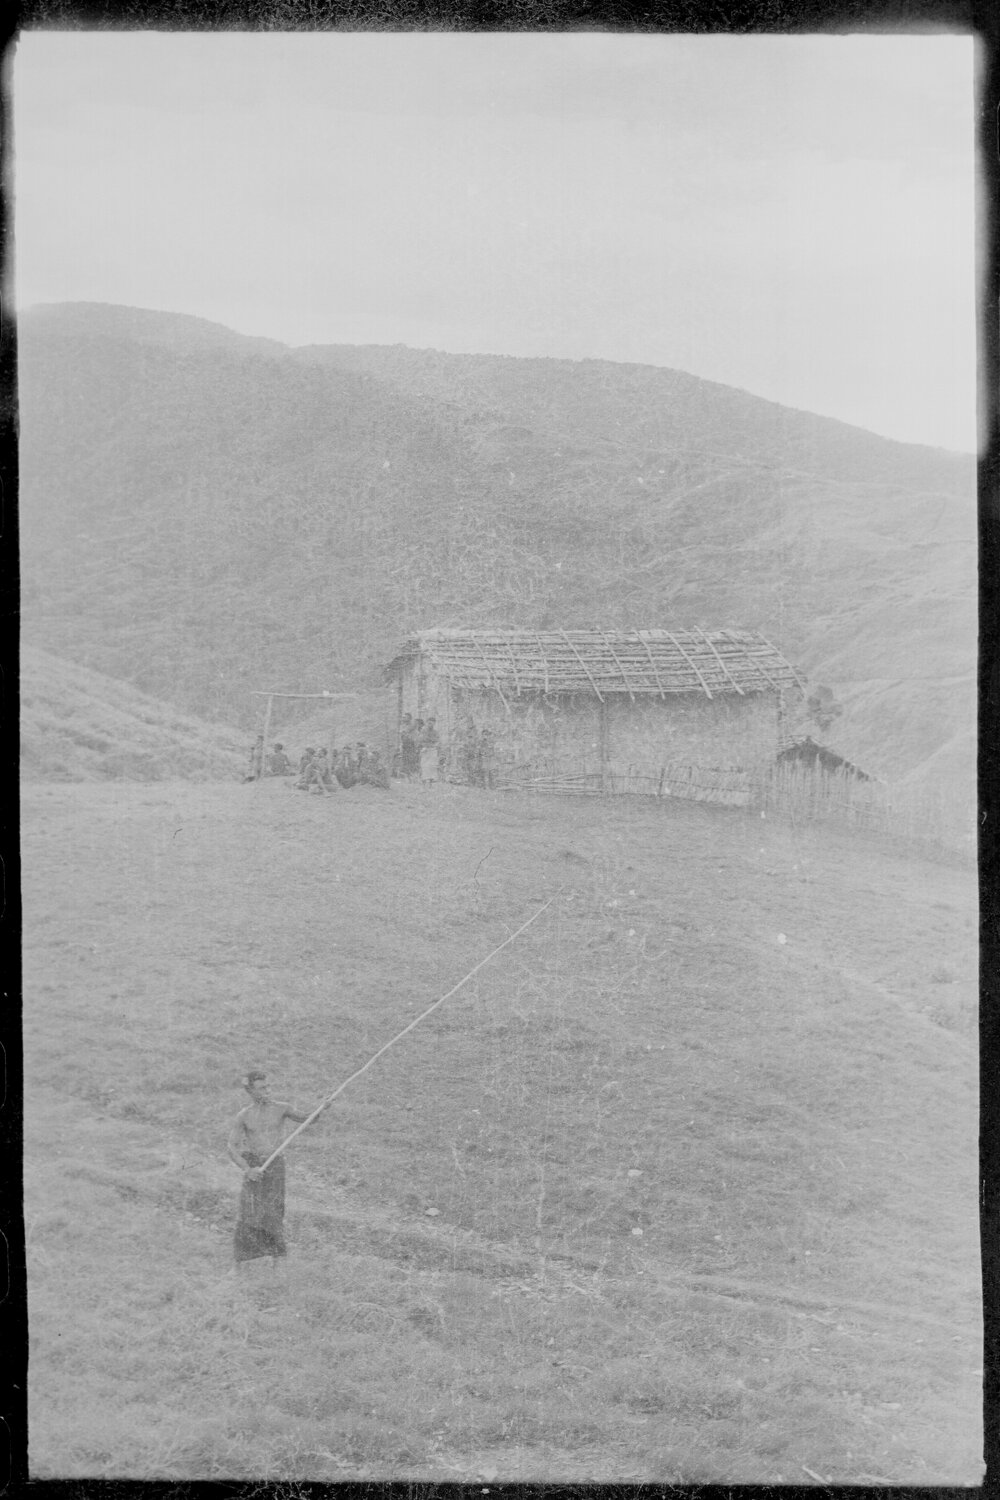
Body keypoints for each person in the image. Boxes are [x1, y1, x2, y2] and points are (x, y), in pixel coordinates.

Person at [227, 1070, 313, 1270]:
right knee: (248, 1214)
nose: (267, 1091)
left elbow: (308, 1118)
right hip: (254, 1167)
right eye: (261, 1088)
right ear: (250, 1091)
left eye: (268, 1086)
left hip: (275, 1166)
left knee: (274, 1213)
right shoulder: (244, 1115)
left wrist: (322, 1108)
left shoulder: (282, 1108)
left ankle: (278, 1266)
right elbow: (231, 1147)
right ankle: (239, 1266)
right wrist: (248, 1170)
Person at [419, 718, 440, 787]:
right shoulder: (423, 731)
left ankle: (430, 783)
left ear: (434, 724)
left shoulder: (435, 732)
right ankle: (423, 783)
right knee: (424, 766)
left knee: (432, 766)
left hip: (432, 749)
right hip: (425, 749)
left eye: (432, 723)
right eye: (429, 723)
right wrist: (424, 745)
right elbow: (421, 740)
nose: (430, 725)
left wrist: (434, 744)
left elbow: (437, 740)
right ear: (427, 723)